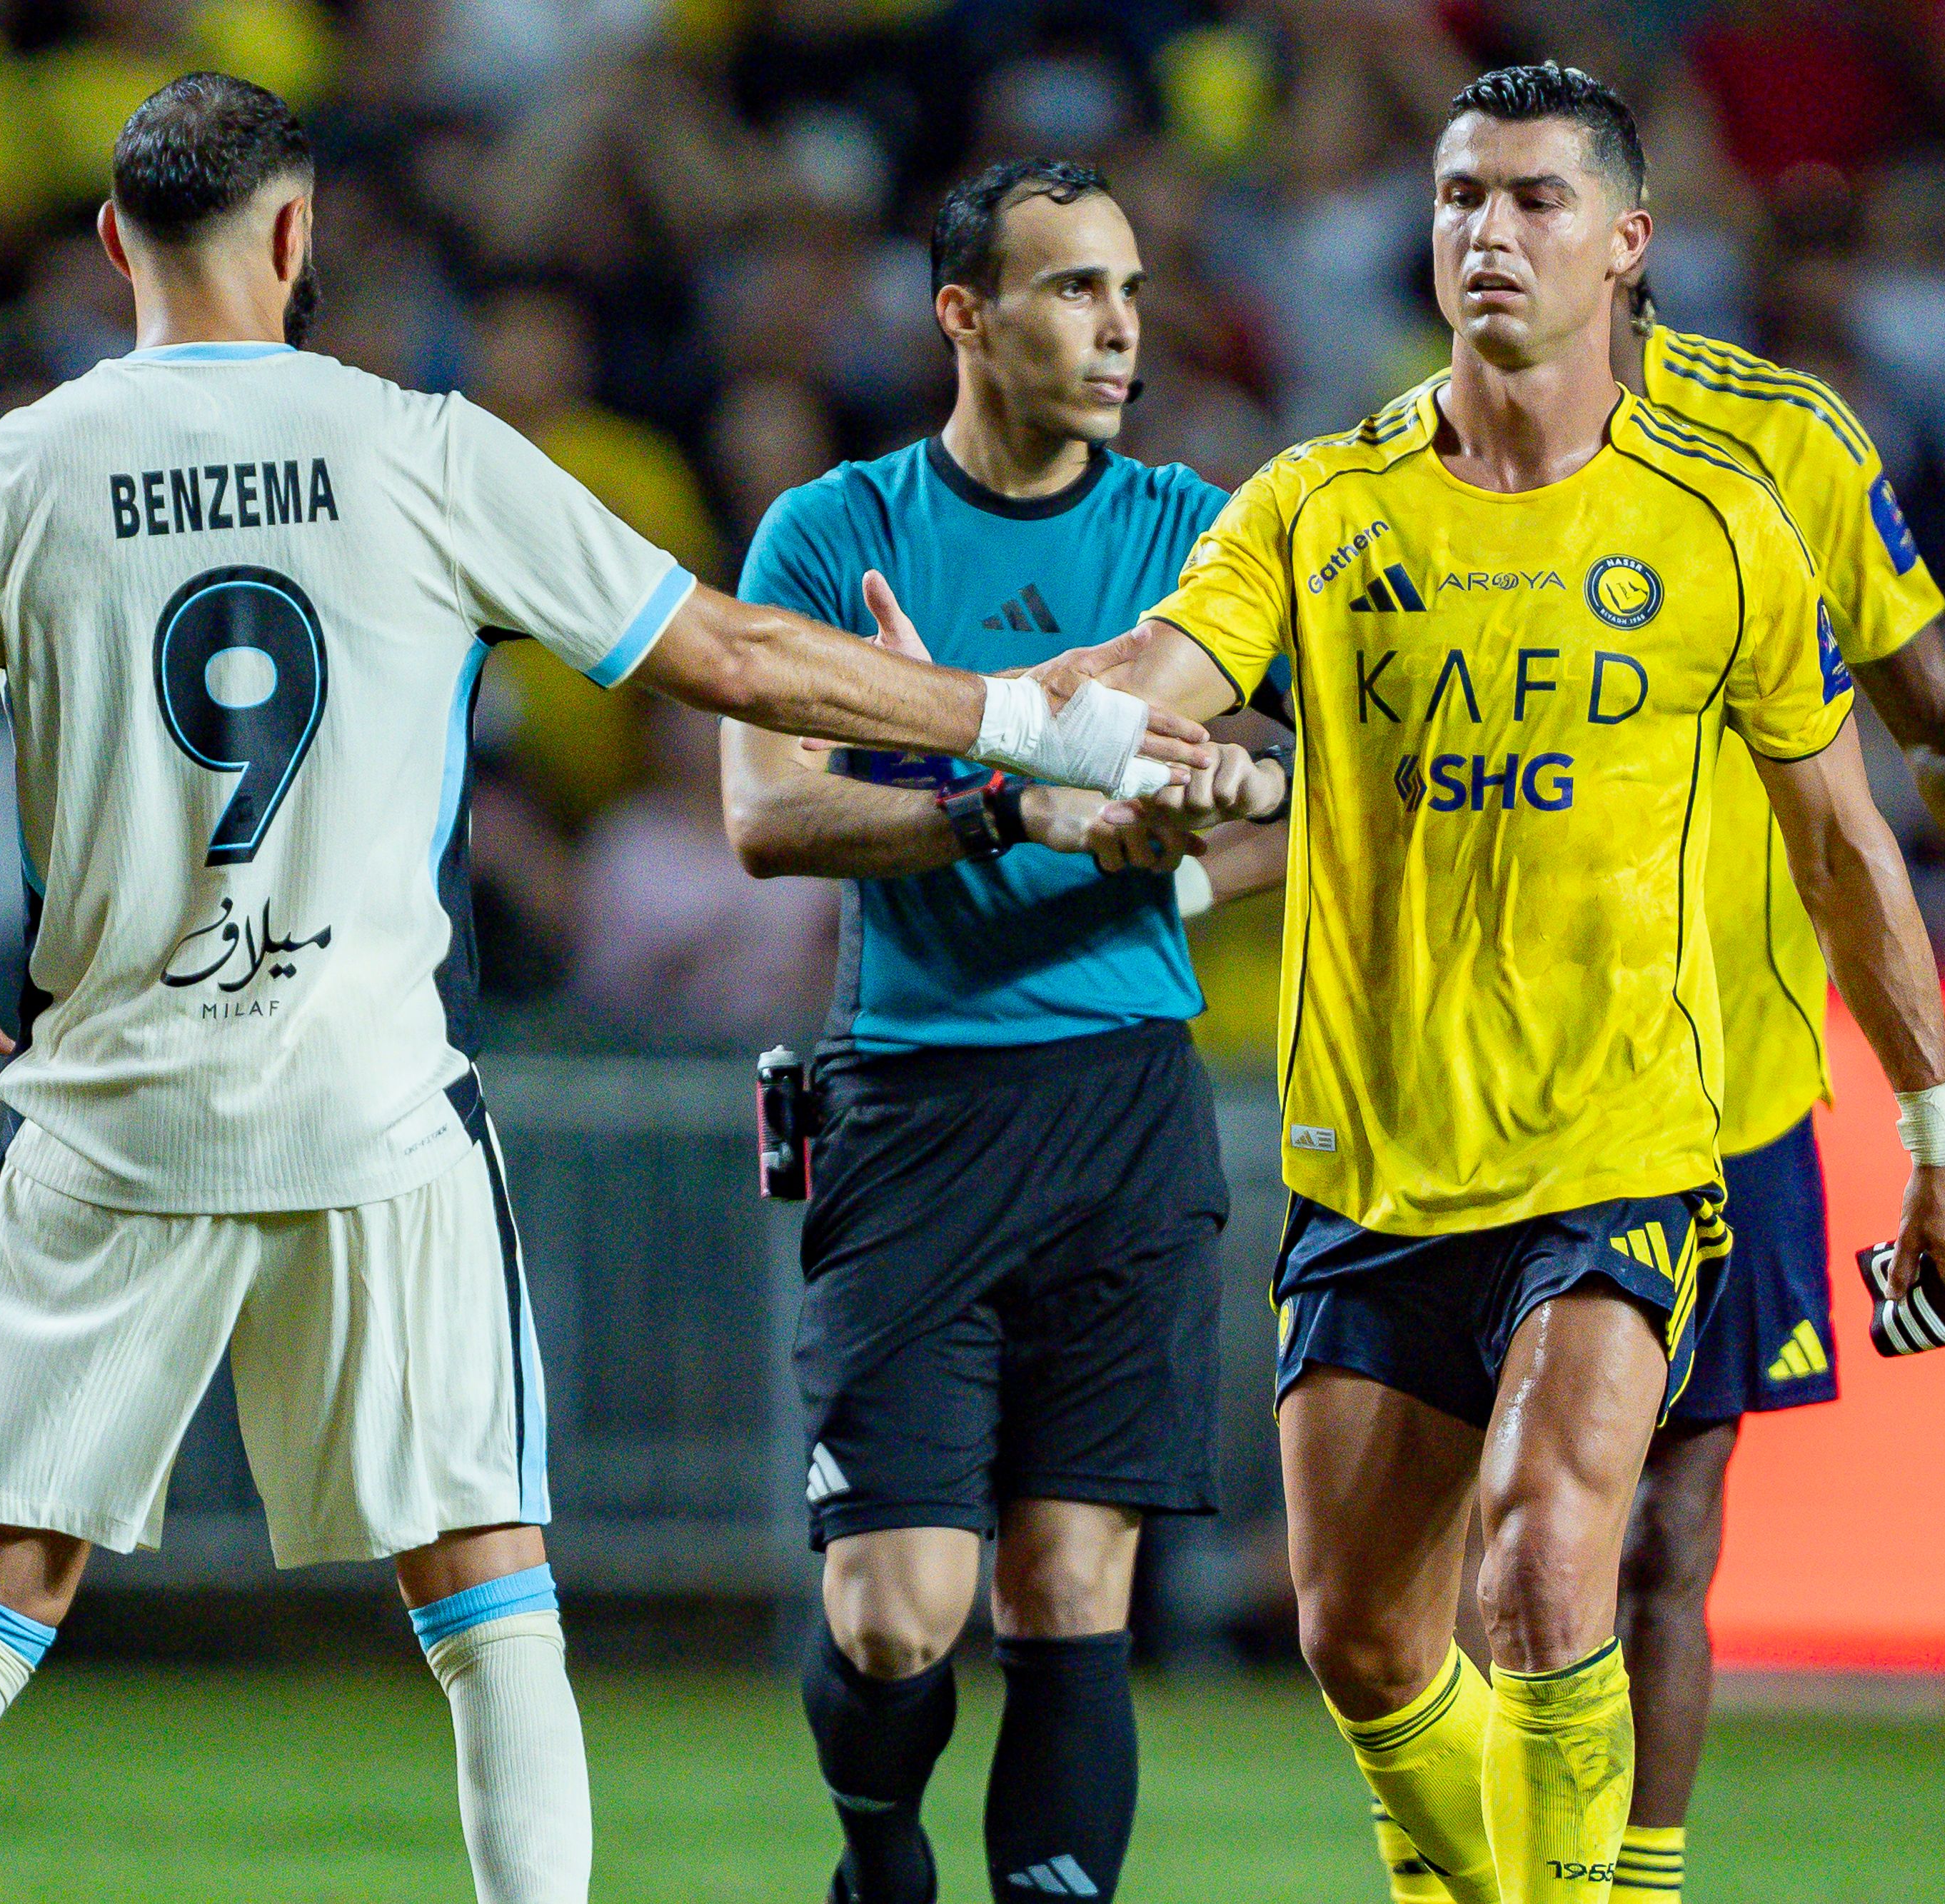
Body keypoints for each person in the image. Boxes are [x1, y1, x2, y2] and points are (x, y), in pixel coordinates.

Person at [0, 73, 1202, 1904]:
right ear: (296, 234)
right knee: (487, 1599)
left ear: (110, 246)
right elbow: (732, 658)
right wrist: (1036, 719)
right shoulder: (422, 450)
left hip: (109, 1108)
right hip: (375, 1106)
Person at [1074, 63, 1945, 1902]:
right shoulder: (1319, 504)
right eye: (1457, 197)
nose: (1485, 232)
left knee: (1543, 1564)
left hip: (1620, 1152)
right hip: (1376, 1159)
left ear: (1625, 242)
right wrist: (980, 718)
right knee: (1360, 1640)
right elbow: (1152, 673)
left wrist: (1938, 1138)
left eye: (1531, 199)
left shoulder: (1720, 519)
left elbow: (1842, 849)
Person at [723, 159, 1243, 1904]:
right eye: (1072, 288)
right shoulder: (831, 532)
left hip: (1120, 1102)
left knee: (1067, 1587)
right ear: (963, 314)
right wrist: (1004, 802)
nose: (1119, 328)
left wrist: (1199, 832)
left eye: (1130, 289)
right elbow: (765, 816)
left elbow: (1301, 785)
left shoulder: (1192, 531)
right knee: (896, 1610)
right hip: (914, 1100)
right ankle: (878, 1853)